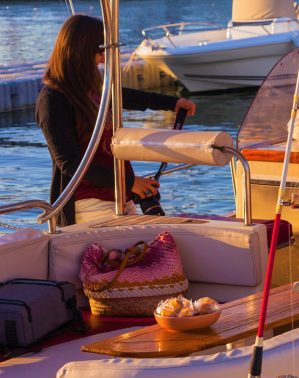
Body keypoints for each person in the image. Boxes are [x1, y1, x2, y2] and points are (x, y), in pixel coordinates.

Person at [37, 14, 196, 226]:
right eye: (101, 50)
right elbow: (70, 163)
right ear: (83, 50)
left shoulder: (90, 89)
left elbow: (122, 95)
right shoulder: (53, 99)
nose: (104, 57)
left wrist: (172, 103)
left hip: (120, 194)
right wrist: (130, 183)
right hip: (88, 203)